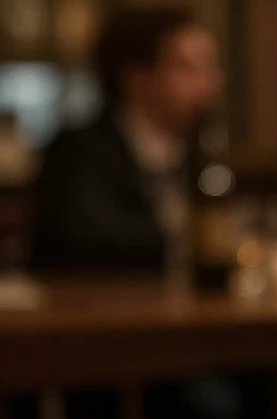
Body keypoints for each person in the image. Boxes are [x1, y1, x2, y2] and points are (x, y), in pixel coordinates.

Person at [31, 8, 221, 271]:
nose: (209, 83)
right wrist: (193, 241)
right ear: (136, 78)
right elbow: (90, 238)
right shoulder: (79, 152)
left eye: (208, 66)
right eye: (186, 68)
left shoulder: (199, 151)